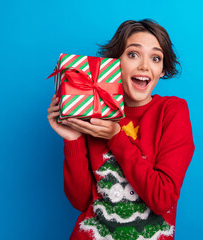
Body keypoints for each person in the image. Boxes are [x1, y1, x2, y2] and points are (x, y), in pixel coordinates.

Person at [47, 19, 195, 240]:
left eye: (155, 58)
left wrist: (116, 137)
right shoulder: (93, 109)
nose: (144, 66)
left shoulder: (172, 110)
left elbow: (162, 199)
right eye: (133, 54)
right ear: (115, 63)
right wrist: (73, 139)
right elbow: (80, 201)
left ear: (162, 69)